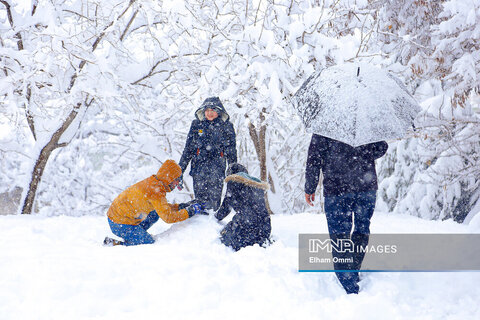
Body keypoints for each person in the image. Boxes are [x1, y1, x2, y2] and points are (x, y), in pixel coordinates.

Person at [305, 134, 388, 294]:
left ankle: (347, 281)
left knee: (339, 234)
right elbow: (381, 147)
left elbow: (314, 159)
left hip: (337, 189)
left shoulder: (325, 124)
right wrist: (362, 151)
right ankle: (353, 270)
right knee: (362, 229)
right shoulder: (367, 120)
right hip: (365, 186)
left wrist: (310, 187)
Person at [104, 160, 205, 246]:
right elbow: (168, 217)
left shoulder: (155, 183)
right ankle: (116, 244)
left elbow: (161, 208)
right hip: (119, 223)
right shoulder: (155, 190)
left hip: (122, 217)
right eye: (177, 180)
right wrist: (190, 212)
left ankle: (136, 235)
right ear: (169, 178)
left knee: (155, 213)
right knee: (148, 242)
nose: (177, 184)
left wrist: (181, 206)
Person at [179, 97, 237, 211]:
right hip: (198, 168)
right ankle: (199, 224)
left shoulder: (227, 126)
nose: (209, 113)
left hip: (217, 168)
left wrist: (234, 174)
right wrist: (179, 171)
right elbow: (188, 149)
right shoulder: (196, 124)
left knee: (213, 204)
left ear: (219, 111)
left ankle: (211, 225)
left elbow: (231, 152)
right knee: (200, 202)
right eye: (207, 110)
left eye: (213, 110)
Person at [215, 163, 271, 251]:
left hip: (245, 227)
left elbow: (226, 207)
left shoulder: (233, 180)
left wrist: (215, 218)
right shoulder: (258, 186)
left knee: (222, 237)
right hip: (264, 228)